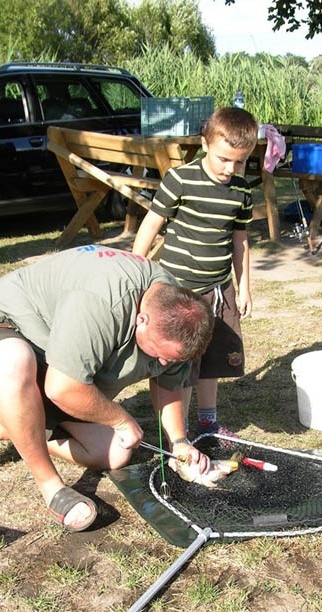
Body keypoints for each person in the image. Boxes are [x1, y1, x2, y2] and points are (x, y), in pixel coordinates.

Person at [0, 245, 214, 532]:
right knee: (14, 360)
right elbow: (62, 388)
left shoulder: (180, 316)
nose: (163, 362)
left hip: (59, 364)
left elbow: (169, 384)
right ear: (142, 319)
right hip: (2, 323)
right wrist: (120, 419)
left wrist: (179, 441)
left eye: (172, 359)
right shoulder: (102, 301)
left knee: (114, 452)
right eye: (160, 355)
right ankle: (52, 488)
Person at [133, 106, 258, 439]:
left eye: (240, 162)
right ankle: (180, 430)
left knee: (213, 359)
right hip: (180, 289)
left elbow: (240, 241)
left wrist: (243, 287)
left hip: (218, 290)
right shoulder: (180, 179)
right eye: (223, 159)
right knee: (182, 364)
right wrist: (135, 265)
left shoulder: (242, 191)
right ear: (205, 143)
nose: (230, 169)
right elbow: (153, 223)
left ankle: (207, 420)